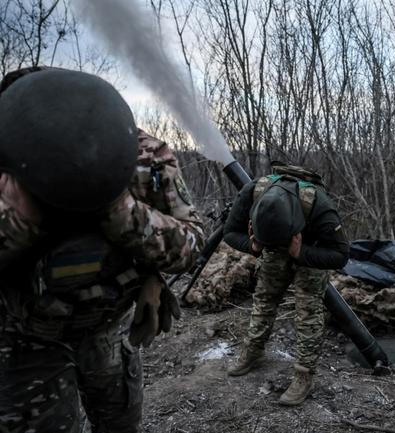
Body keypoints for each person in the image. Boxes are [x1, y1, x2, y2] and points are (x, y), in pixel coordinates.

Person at [0, 67, 204, 432]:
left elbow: (192, 244)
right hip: (27, 338)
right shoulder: (7, 164)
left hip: (108, 327)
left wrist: (124, 215)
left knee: (120, 425)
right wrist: (18, 220)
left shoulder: (143, 157)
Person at [223, 166, 349, 405]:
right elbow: (230, 232)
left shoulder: (319, 206)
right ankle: (253, 350)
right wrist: (254, 247)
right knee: (264, 297)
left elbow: (340, 255)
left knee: (308, 309)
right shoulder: (253, 192)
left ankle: (304, 374)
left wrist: (301, 252)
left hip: (311, 247)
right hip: (269, 248)